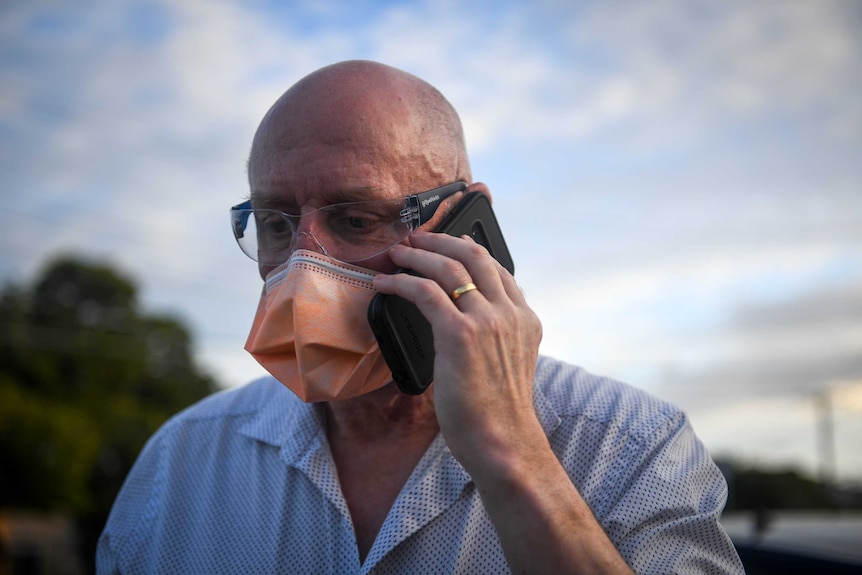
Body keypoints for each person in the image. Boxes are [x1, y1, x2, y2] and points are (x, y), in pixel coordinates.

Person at [97, 60, 743, 574]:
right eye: (276, 224)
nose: (301, 265)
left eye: (355, 219)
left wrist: (513, 453)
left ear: (466, 226)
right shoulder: (179, 466)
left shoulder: (631, 449)